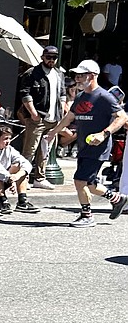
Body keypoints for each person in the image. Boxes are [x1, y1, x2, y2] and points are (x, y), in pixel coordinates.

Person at [45, 60, 128, 227]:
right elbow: (69, 117)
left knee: (79, 181)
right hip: (84, 146)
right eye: (77, 75)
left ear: (92, 76)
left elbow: (123, 117)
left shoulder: (104, 97)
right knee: (89, 184)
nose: (77, 78)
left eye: (81, 75)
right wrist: (54, 131)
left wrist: (104, 134)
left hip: (98, 148)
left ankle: (87, 215)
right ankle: (117, 198)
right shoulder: (81, 96)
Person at [16, 45, 66, 188]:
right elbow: (25, 93)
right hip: (37, 118)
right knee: (29, 150)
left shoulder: (59, 74)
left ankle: (39, 177)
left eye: (54, 57)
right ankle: (22, 179)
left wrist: (61, 109)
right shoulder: (32, 73)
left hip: (53, 118)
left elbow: (62, 93)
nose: (51, 60)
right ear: (42, 57)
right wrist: (33, 113)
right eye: (48, 57)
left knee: (45, 150)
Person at [0, 123, 38, 214]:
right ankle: (4, 202)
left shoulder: (9, 149)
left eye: (9, 138)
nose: (8, 141)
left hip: (3, 180)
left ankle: (22, 201)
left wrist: (16, 176)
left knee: (19, 166)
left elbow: (26, 163)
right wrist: (10, 179)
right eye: (5, 139)